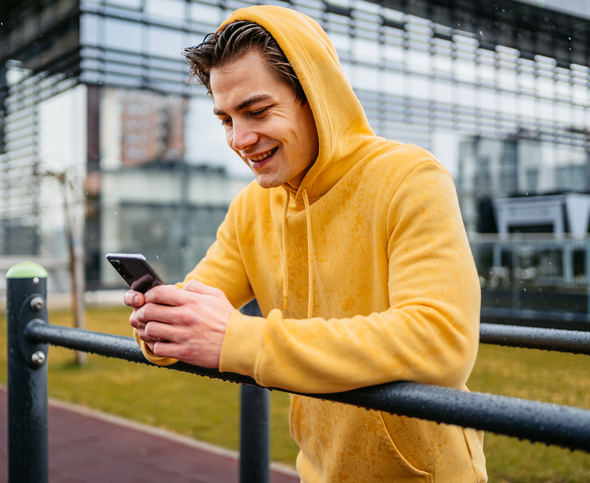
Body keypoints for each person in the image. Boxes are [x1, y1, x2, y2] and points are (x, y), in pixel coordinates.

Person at [124, 5, 487, 482]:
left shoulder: (410, 178)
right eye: (226, 119)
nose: (240, 138)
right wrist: (162, 324)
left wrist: (238, 341)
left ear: (316, 97)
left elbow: (440, 341)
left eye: (256, 111)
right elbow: (198, 314)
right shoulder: (251, 208)